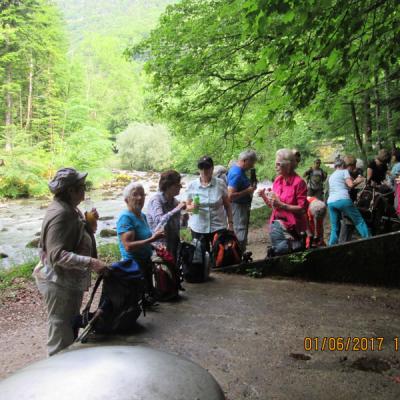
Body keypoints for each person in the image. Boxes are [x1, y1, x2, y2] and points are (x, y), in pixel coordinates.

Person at [33, 167, 107, 356]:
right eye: (82, 186)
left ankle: (66, 369)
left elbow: (75, 237)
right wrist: (92, 262)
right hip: (58, 282)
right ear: (71, 190)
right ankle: (57, 375)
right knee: (61, 331)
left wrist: (89, 225)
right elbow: (56, 255)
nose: (85, 189)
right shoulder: (61, 214)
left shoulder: (70, 209)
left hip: (66, 281)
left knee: (68, 327)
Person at [116, 182, 165, 303]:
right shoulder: (125, 218)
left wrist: (155, 246)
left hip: (145, 260)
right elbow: (128, 246)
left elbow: (145, 237)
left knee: (146, 294)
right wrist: (152, 239)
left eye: (142, 195)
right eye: (135, 195)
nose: (140, 198)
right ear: (126, 200)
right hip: (133, 264)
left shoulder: (142, 215)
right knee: (136, 298)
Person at [259, 149, 308, 255]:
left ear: (288, 166)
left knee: (285, 250)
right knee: (280, 249)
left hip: (293, 224)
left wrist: (283, 205)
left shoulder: (299, 183)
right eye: (275, 163)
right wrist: (264, 196)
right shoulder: (277, 181)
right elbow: (274, 206)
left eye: (278, 164)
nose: (275, 166)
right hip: (278, 222)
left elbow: (302, 209)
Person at [186, 156, 233, 252]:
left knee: (220, 256)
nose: (204, 170)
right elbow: (187, 208)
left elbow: (227, 205)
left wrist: (230, 224)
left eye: (207, 167)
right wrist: (192, 207)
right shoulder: (192, 185)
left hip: (218, 226)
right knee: (200, 258)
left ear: (212, 168)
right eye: (201, 168)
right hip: (198, 227)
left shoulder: (220, 184)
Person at [327, 157, 370, 245]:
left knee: (334, 228)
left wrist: (355, 181)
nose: (354, 168)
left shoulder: (332, 175)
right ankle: (370, 240)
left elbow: (343, 185)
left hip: (331, 202)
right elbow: (350, 185)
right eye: (353, 166)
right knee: (359, 221)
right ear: (345, 165)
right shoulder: (344, 171)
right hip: (343, 200)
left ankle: (330, 247)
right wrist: (360, 180)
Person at [147, 170, 186, 261]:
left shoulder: (175, 202)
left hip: (174, 245)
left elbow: (182, 230)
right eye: (177, 184)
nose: (180, 186)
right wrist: (177, 209)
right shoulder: (156, 201)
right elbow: (159, 222)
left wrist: (184, 221)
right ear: (168, 186)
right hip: (159, 248)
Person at [227, 150, 258, 252]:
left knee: (241, 230)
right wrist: (247, 191)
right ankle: (239, 255)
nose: (253, 165)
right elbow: (230, 196)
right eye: (252, 162)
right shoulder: (237, 174)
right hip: (238, 207)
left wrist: (251, 187)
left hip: (241, 206)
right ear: (245, 160)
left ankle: (240, 254)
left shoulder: (239, 170)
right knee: (240, 231)